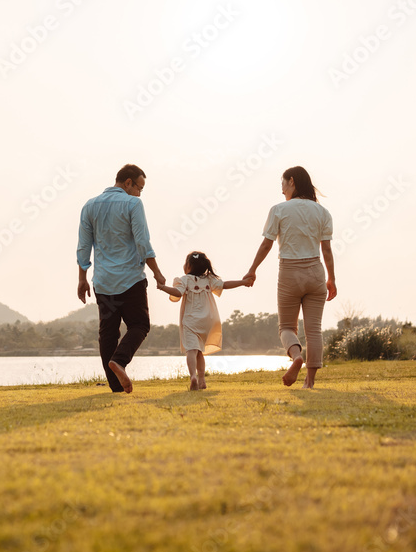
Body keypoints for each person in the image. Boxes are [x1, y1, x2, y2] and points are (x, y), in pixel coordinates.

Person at [244, 166, 336, 389]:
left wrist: (252, 269)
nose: (282, 189)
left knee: (286, 327)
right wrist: (332, 279)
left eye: (283, 183)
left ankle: (296, 357)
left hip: (289, 272)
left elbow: (267, 244)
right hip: (315, 270)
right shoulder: (323, 212)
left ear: (292, 182)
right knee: (314, 329)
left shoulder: (279, 210)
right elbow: (326, 251)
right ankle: (310, 382)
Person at [77, 164, 167, 393]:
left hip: (103, 281)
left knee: (108, 332)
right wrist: (157, 272)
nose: (139, 193)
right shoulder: (133, 203)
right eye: (139, 187)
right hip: (130, 279)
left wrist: (82, 278)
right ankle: (120, 361)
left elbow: (83, 247)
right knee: (140, 324)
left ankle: (115, 387)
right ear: (128, 183)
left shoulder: (89, 206)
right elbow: (142, 242)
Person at [157, 251, 249, 391]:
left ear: (188, 266)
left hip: (191, 320)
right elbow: (225, 285)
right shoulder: (209, 280)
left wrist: (163, 288)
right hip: (208, 319)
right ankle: (202, 380)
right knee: (199, 351)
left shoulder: (184, 280)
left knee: (191, 351)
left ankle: (193, 376)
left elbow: (177, 293)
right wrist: (243, 282)